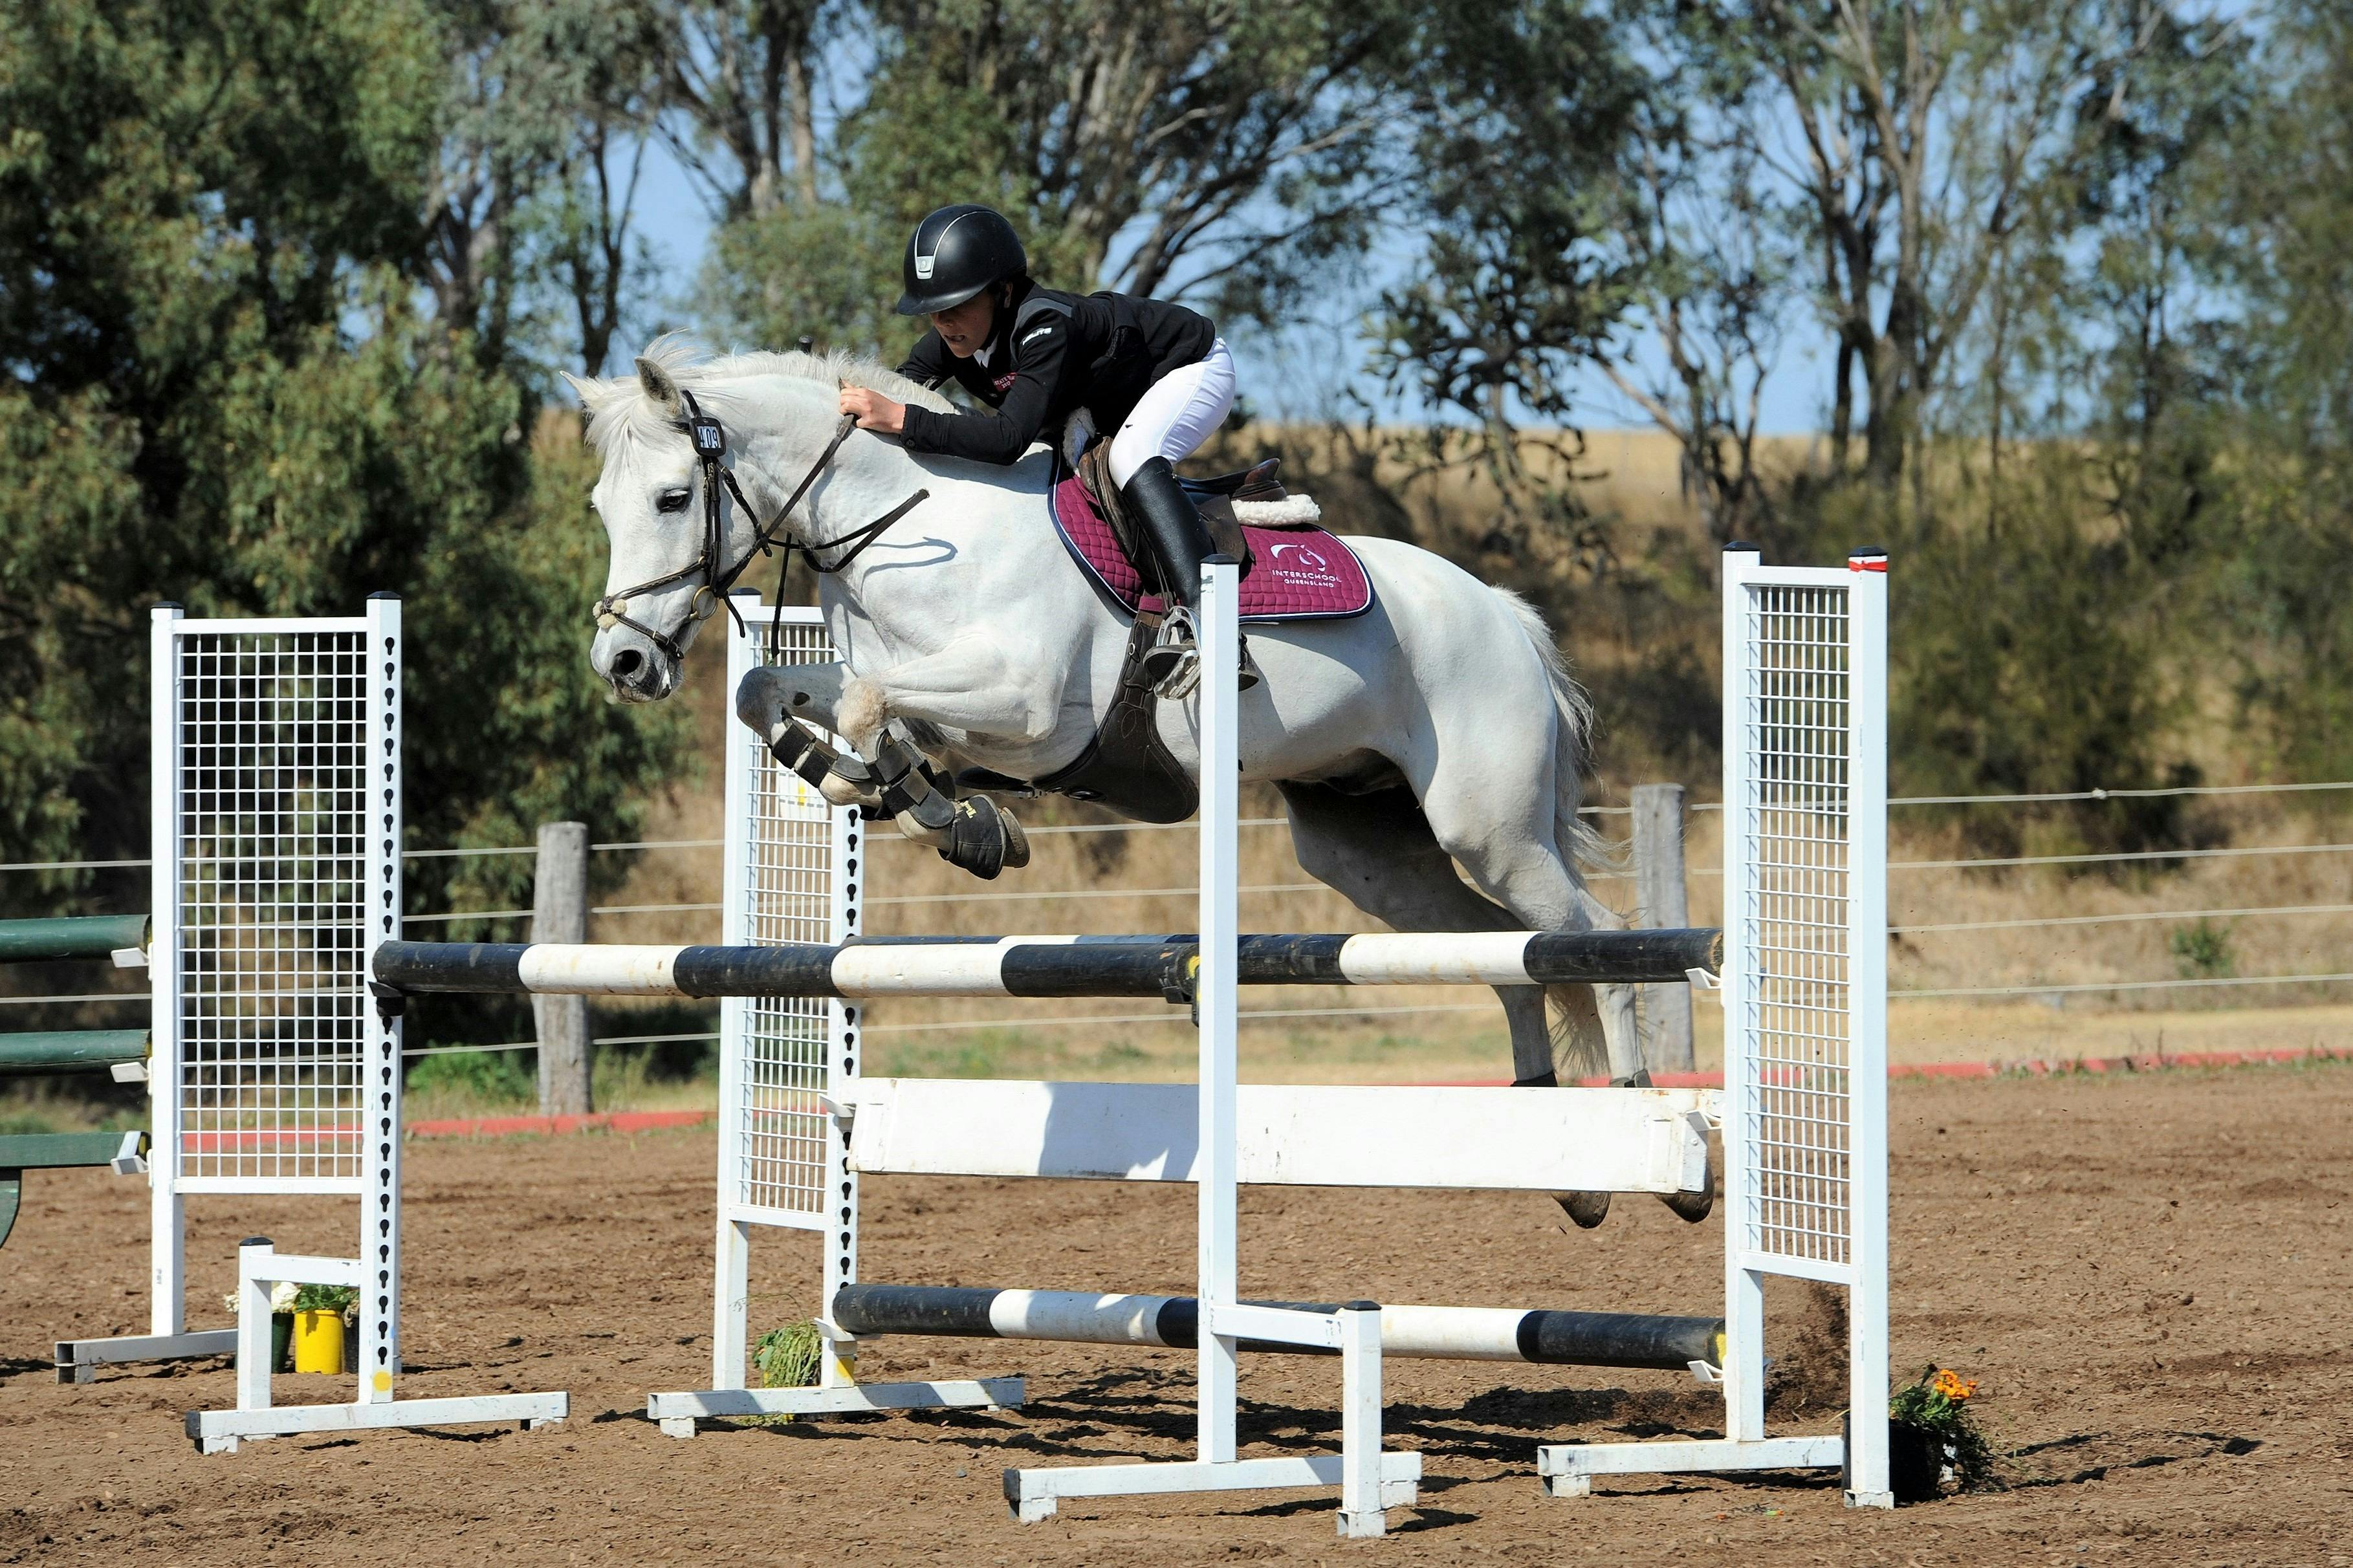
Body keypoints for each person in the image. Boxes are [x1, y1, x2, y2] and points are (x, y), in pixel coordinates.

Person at [838, 203, 1249, 690]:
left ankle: (1214, 628)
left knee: (1130, 458)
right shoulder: (949, 343)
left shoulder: (1046, 325)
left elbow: (1006, 440)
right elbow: (894, 399)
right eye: (934, 311)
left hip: (1189, 368)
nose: (945, 322)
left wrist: (904, 417)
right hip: (1109, 398)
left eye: (958, 305)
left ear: (1003, 290)